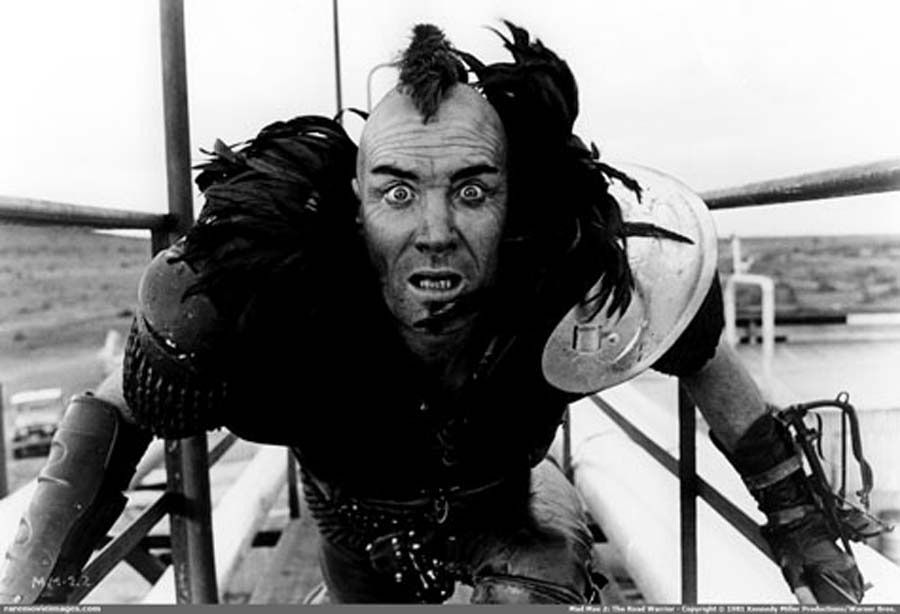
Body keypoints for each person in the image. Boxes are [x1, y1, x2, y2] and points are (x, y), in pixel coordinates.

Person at [0, 22, 864, 605]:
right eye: (398, 192)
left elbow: (700, 352)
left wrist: (796, 516)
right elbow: (123, 403)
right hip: (352, 515)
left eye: (473, 191)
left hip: (506, 501)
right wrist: (37, 574)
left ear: (513, 201)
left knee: (537, 583)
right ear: (355, 206)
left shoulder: (557, 273)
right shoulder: (282, 301)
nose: (436, 231)